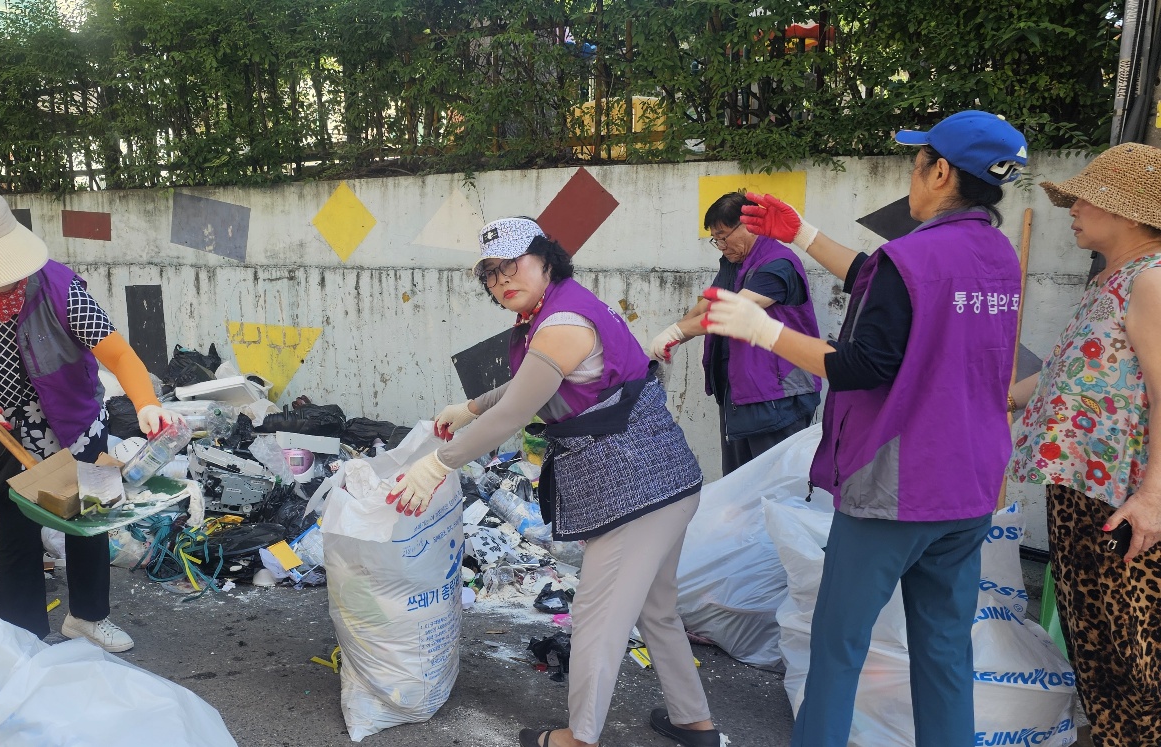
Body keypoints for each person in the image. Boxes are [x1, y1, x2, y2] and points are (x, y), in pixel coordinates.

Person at [702, 110, 1028, 746]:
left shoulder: (911, 256)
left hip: (896, 485)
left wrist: (763, 331)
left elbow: (859, 365)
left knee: (838, 647)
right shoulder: (1000, 255)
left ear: (940, 172)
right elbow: (882, 285)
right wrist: (804, 234)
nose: (912, 177)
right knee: (944, 651)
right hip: (970, 485)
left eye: (916, 164)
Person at [397, 218, 722, 747]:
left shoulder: (562, 322)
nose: (503, 280)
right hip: (664, 479)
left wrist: (438, 464)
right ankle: (695, 723)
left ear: (546, 259)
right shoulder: (558, 310)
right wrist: (471, 405)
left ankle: (580, 737)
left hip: (633, 489)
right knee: (657, 610)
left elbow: (514, 415)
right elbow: (534, 384)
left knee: (596, 619)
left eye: (514, 264)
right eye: (492, 273)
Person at [0, 183, 181, 650]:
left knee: (90, 522)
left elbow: (121, 356)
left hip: (74, 426)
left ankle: (87, 616)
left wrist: (147, 402)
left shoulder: (60, 288)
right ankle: (23, 638)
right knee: (16, 535)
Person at [1007, 142, 1161, 745]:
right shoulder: (1112, 279)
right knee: (1089, 631)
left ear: (1126, 210)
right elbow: (1074, 365)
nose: (1070, 208)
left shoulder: (1150, 280)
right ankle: (1112, 733)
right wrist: (1005, 396)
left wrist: (1153, 496)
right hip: (1083, 489)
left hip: (1125, 499)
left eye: (1083, 198)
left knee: (1131, 641)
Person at [644, 191, 821, 473]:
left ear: (749, 225)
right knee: (739, 484)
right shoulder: (733, 262)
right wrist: (677, 335)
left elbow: (733, 312)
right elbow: (709, 304)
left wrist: (677, 331)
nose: (721, 245)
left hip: (777, 396)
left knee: (772, 486)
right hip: (738, 393)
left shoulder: (778, 265)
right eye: (716, 239)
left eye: (725, 236)